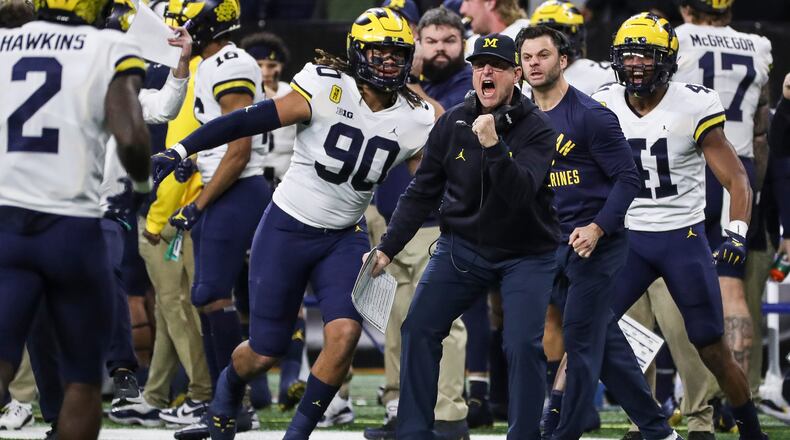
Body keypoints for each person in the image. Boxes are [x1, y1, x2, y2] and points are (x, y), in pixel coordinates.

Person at [154, 8, 434, 440]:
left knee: (343, 335)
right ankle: (226, 396)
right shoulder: (325, 85)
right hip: (286, 227)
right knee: (265, 351)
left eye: (397, 53)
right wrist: (182, 149)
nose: (389, 62)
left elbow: (431, 184)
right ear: (357, 53)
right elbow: (250, 118)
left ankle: (296, 434)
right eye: (378, 53)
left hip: (344, 236)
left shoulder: (417, 117)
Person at [366, 33, 559, 440]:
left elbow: (521, 194)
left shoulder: (538, 128)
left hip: (526, 253)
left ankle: (524, 435)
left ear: (516, 74)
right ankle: (414, 431)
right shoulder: (452, 121)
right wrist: (387, 248)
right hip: (464, 246)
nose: (485, 71)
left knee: (523, 345)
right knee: (419, 327)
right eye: (478, 65)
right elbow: (421, 192)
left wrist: (492, 146)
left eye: (496, 65)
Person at [590, 12, 766, 440]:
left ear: (666, 61)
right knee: (588, 329)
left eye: (645, 57)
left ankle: (749, 429)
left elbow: (736, 178)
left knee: (709, 344)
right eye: (628, 56)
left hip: (680, 237)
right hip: (626, 237)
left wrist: (737, 233)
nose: (634, 65)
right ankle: (561, 415)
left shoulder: (694, 102)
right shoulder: (604, 101)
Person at [0, 1, 151, 439]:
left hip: (6, 221)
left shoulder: (5, 43)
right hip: (72, 227)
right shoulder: (108, 45)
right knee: (82, 378)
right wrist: (140, 189)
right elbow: (131, 134)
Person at [516, 24, 669, 440]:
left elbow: (628, 179)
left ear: (562, 60)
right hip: (552, 244)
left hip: (596, 245)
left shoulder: (590, 115)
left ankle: (564, 430)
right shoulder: (519, 119)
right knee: (606, 345)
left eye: (542, 55)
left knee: (582, 342)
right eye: (527, 57)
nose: (534, 63)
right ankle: (658, 430)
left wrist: (599, 227)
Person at [161, 0, 272, 434]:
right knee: (206, 297)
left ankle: (235, 404)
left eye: (186, 21)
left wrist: (200, 202)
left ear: (209, 24)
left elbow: (239, 147)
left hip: (236, 189)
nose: (178, 29)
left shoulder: (230, 61)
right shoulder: (211, 63)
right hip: (223, 187)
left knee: (213, 294)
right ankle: (226, 404)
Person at [363, 6, 472, 440]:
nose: (441, 50)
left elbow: (445, 122)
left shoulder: (470, 81)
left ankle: (448, 414)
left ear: (462, 44)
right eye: (432, 41)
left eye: (449, 41)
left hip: (441, 222)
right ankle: (401, 408)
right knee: (395, 319)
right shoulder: (395, 79)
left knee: (443, 322)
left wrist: (406, 79)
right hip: (392, 220)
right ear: (418, 43)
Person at [671, 3, 773, 425]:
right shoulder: (758, 44)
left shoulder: (680, 37)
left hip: (692, 164)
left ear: (686, 7)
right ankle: (737, 400)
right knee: (732, 289)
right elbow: (760, 128)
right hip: (740, 168)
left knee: (668, 282)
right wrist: (752, 185)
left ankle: (700, 396)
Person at [529, 0, 613, 96]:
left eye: (556, 34)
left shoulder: (601, 75)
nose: (547, 43)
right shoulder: (525, 78)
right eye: (540, 35)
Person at [460, 0, 530, 56]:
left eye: (468, 1)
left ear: (490, 2)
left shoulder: (530, 35)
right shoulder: (471, 44)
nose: (462, 9)